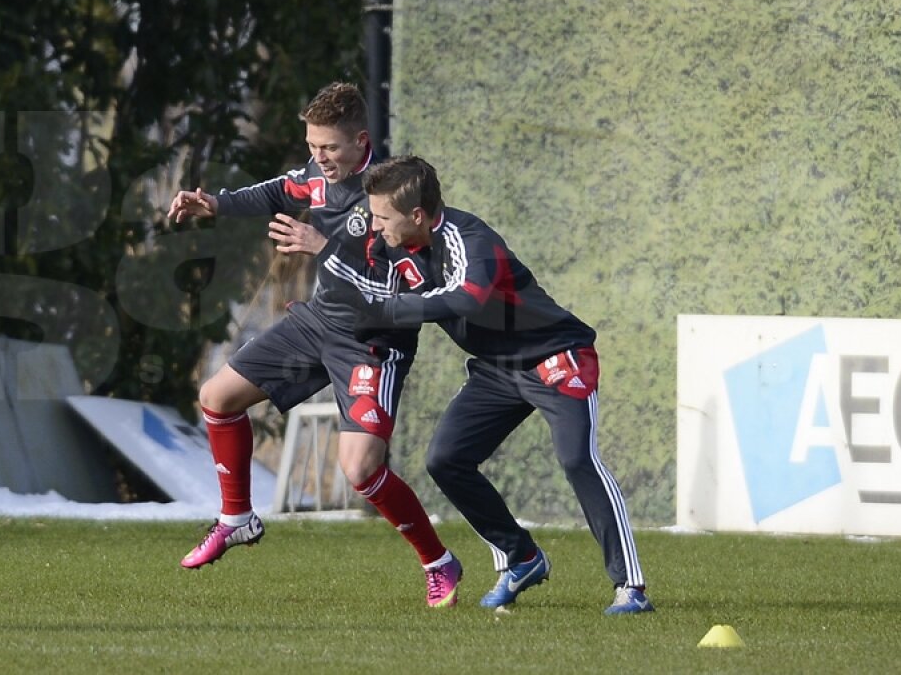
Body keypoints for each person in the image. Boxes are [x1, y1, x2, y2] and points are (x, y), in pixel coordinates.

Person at [166, 84, 462, 608]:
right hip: (319, 322)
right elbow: (278, 190)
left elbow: (396, 284)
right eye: (312, 145)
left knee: (361, 470)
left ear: (361, 142)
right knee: (217, 396)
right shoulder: (315, 177)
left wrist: (324, 247)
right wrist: (213, 203)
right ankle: (237, 517)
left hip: (373, 340)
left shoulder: (393, 194)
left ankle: (438, 561)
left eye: (328, 147)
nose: (316, 157)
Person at [323, 155, 653, 615]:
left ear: (416, 215)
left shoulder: (470, 239)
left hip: (556, 357)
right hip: (497, 368)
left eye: (383, 217)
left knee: (578, 458)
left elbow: (466, 298)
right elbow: (356, 272)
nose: (375, 226)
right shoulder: (393, 241)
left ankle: (630, 587)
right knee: (446, 459)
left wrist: (388, 311)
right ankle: (521, 557)